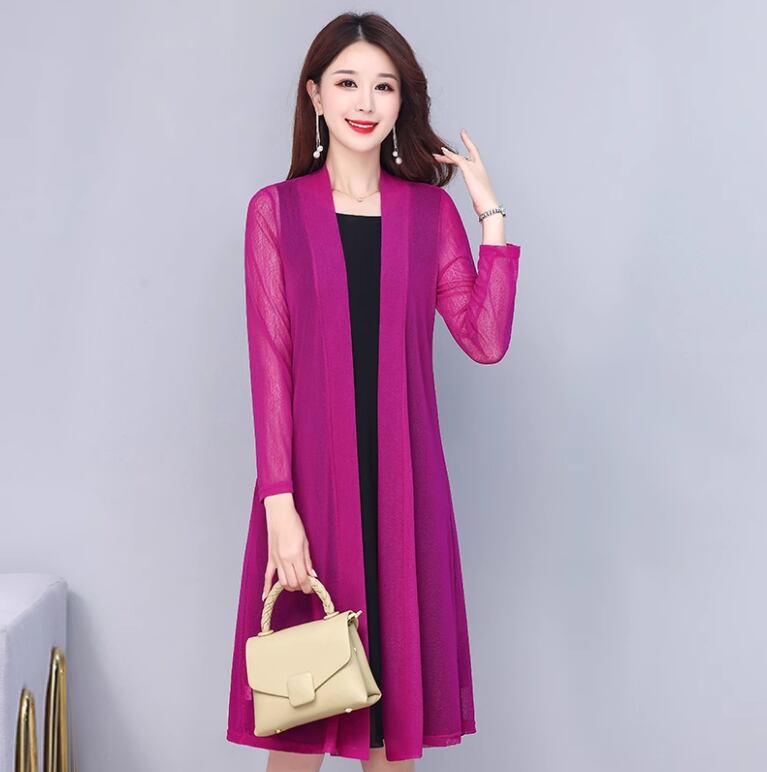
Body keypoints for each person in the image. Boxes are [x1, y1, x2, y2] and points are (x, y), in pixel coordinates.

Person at [226, 11, 521, 771]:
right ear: (315, 95)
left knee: (392, 742)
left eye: (384, 86)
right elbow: (270, 370)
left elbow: (484, 340)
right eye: (348, 82)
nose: (365, 101)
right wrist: (281, 510)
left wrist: (488, 214)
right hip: (310, 500)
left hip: (403, 497)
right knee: (300, 722)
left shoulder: (429, 213)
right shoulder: (276, 212)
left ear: (401, 101)